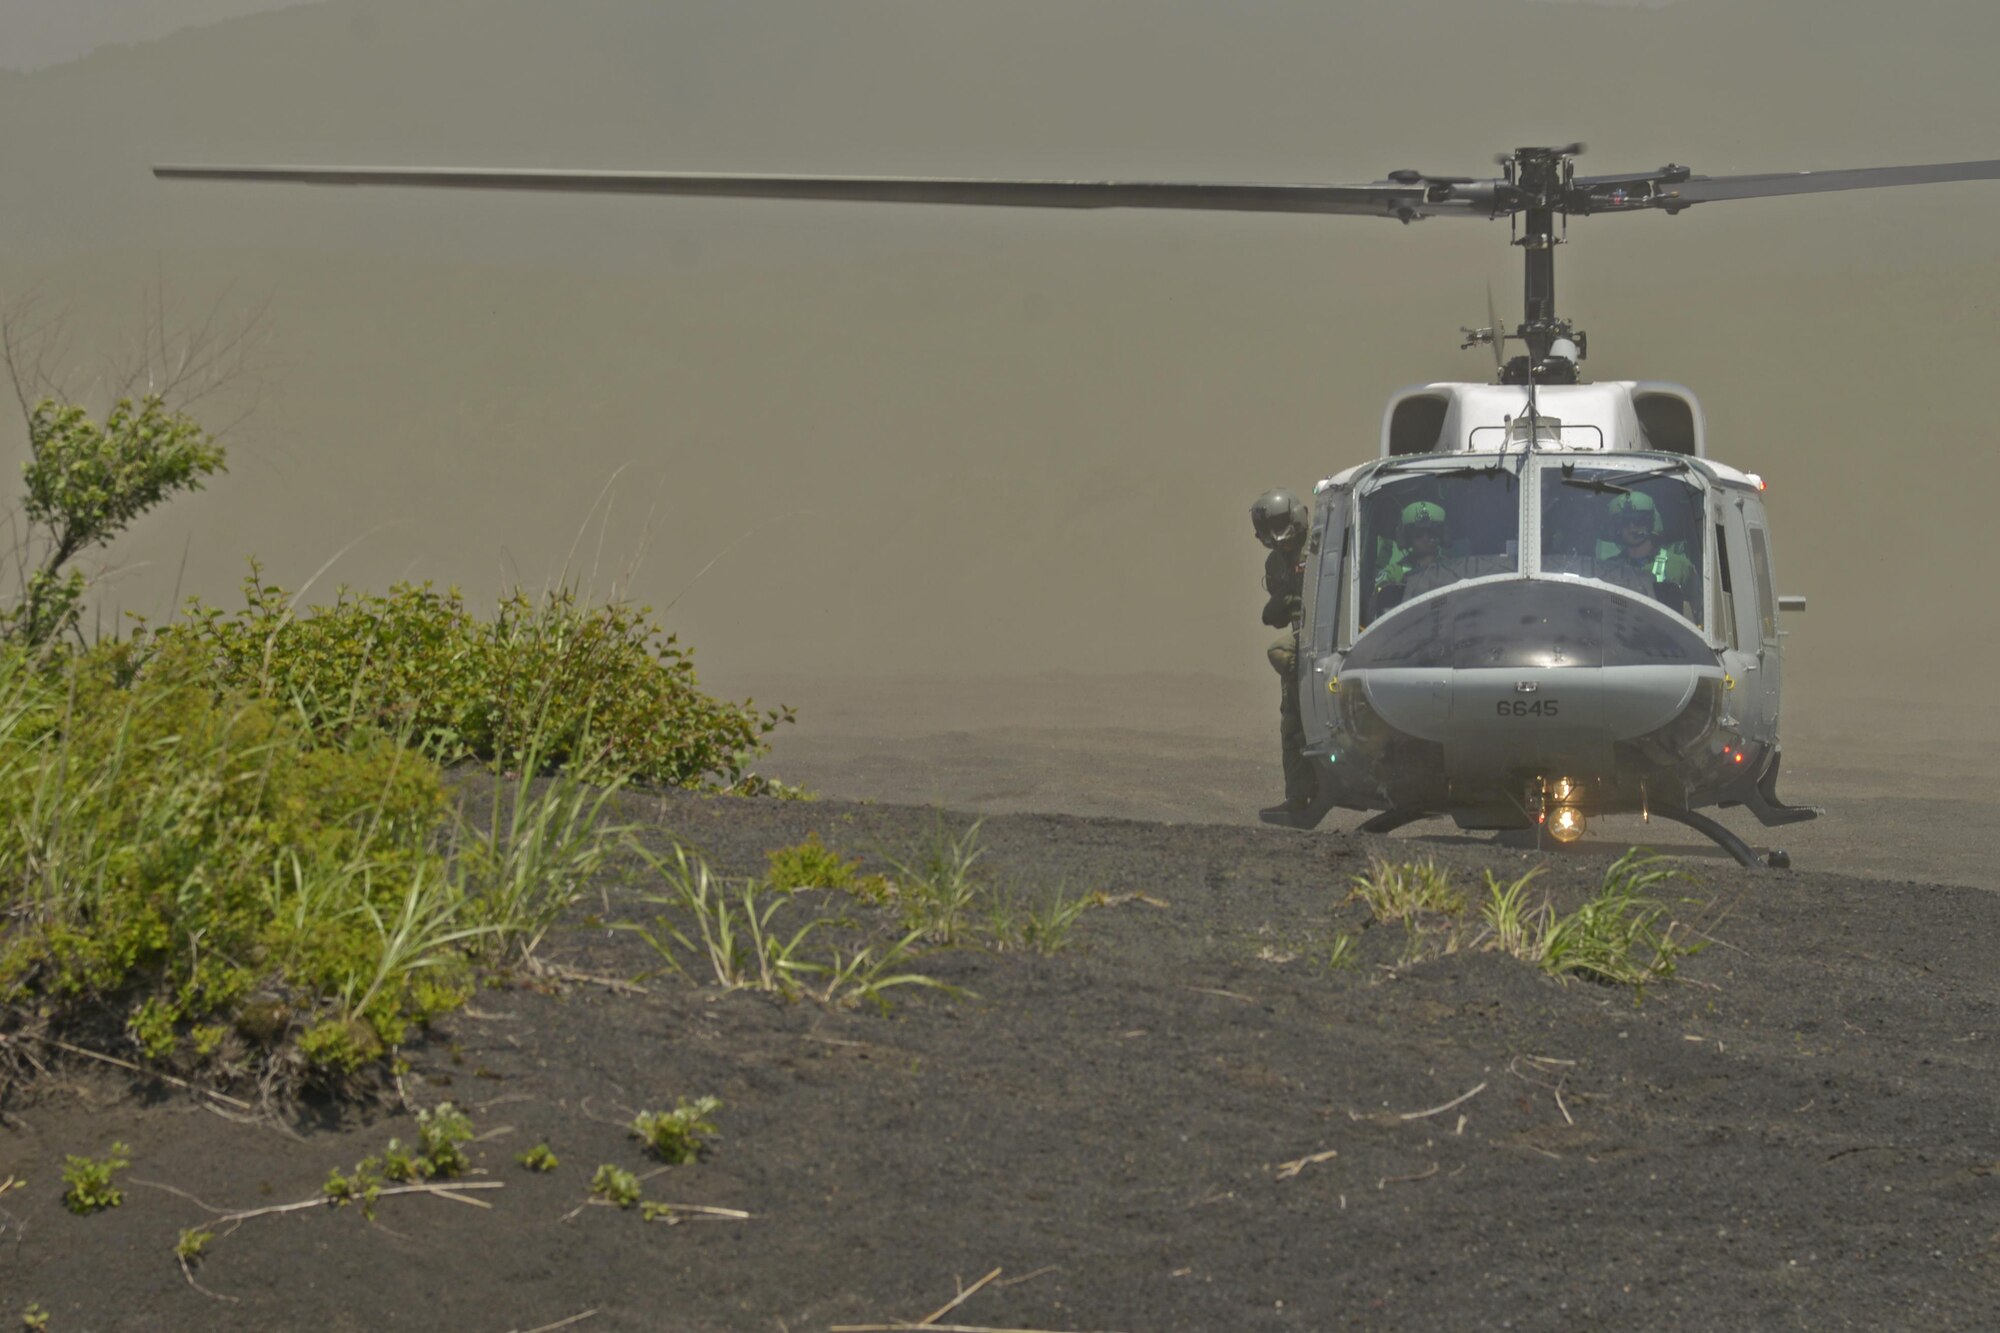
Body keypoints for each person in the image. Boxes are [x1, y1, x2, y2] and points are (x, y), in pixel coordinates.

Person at [1251, 488, 1314, 817]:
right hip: (1301, 644)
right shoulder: (1275, 563)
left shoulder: (1322, 544)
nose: (1277, 538)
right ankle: (1299, 798)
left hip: (1332, 638)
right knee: (1292, 725)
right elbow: (1274, 617)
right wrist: (1287, 595)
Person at [1603, 491, 1696, 615]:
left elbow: (1698, 616)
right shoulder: (1608, 569)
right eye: (1625, 522)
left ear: (1651, 523)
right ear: (1616, 528)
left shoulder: (1680, 568)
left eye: (1639, 520)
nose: (1632, 527)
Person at [1372, 500, 1450, 606]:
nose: (1425, 537)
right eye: (1418, 533)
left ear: (1441, 535)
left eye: (1432, 531)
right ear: (1406, 538)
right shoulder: (1394, 574)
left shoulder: (1452, 567)